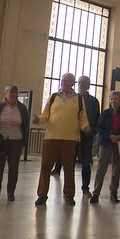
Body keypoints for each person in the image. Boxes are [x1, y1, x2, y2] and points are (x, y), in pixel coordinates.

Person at [33, 73, 90, 206]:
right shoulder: (53, 97)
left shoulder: (79, 99)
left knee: (69, 169)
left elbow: (83, 119)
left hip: (70, 140)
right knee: (45, 167)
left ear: (72, 83)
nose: (63, 82)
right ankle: (42, 195)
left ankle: (69, 195)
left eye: (66, 81)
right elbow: (45, 115)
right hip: (51, 139)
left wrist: (85, 126)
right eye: (62, 80)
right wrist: (38, 120)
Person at [50, 76, 100, 199]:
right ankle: (67, 189)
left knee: (86, 163)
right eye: (80, 83)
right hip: (72, 135)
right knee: (69, 163)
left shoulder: (94, 101)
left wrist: (91, 131)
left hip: (87, 136)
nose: (82, 85)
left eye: (85, 83)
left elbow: (96, 119)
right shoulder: (73, 98)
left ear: (88, 85)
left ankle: (85, 188)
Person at [90, 90, 120, 204]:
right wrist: (109, 135)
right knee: (101, 168)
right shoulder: (105, 113)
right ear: (109, 100)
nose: (114, 101)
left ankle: (113, 192)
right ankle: (96, 192)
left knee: (116, 169)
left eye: (116, 99)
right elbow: (100, 128)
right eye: (112, 99)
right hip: (106, 142)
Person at [0, 85, 29, 202]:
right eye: (10, 92)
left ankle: (10, 193)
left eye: (15, 92)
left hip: (16, 140)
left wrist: (25, 141)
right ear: (5, 94)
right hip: (0, 140)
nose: (13, 94)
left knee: (13, 168)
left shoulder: (22, 108)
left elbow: (25, 125)